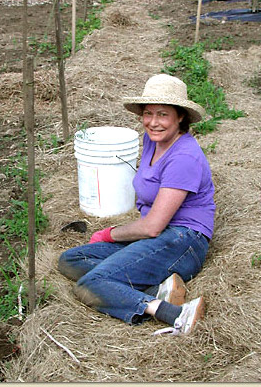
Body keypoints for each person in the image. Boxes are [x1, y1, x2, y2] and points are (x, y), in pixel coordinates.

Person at [58, 74, 216, 336]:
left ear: (180, 118)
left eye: (163, 114)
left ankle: (173, 313)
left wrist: (109, 233)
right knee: (71, 259)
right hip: (160, 236)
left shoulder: (184, 157)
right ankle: (159, 290)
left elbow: (153, 226)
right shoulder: (151, 141)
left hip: (183, 241)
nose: (153, 122)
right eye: (148, 113)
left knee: (90, 284)